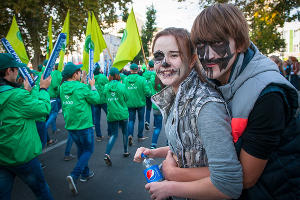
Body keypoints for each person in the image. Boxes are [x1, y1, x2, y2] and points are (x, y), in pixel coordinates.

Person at [191, 3, 300, 199]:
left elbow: (245, 177)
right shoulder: (214, 80)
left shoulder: (268, 95)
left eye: (217, 43)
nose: (206, 55)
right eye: (200, 44)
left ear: (240, 44)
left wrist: (174, 175)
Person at [134, 28, 243, 200]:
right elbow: (191, 147)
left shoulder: (207, 106)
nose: (164, 63)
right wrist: (153, 152)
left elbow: (229, 184)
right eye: (159, 56)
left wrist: (169, 187)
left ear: (192, 60)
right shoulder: (177, 97)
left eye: (174, 55)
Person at [0, 53, 53, 199]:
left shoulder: (16, 95)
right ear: (8, 71)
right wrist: (43, 89)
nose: (18, 72)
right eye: (16, 69)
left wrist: (25, 92)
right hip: (21, 155)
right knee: (42, 190)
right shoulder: (17, 96)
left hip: (2, 156)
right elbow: (43, 109)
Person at [60, 62, 101, 195]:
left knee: (81, 149)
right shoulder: (81, 88)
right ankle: (74, 174)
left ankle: (85, 173)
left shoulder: (62, 87)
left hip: (71, 126)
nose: (80, 73)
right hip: (84, 125)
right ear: (74, 74)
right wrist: (92, 85)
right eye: (79, 72)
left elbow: (78, 93)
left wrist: (83, 82)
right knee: (88, 150)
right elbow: (96, 99)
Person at [103, 67, 130, 166]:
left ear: (110, 75)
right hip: (123, 113)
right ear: (118, 75)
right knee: (124, 132)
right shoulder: (122, 86)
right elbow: (127, 97)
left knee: (114, 135)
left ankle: (107, 154)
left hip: (112, 114)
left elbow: (104, 96)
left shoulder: (106, 86)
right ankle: (126, 151)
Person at [124, 63, 152, 146]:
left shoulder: (125, 79)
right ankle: (140, 136)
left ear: (130, 70)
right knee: (141, 120)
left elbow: (123, 91)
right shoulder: (142, 79)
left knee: (131, 120)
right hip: (140, 103)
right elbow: (147, 92)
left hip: (130, 103)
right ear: (137, 70)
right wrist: (150, 94)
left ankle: (130, 135)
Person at [93, 63, 109, 141]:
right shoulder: (102, 77)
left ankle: (98, 136)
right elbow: (108, 85)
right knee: (109, 115)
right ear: (99, 70)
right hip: (103, 100)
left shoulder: (91, 78)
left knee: (96, 119)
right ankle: (110, 133)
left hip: (95, 100)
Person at [143, 60, 156, 131]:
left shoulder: (144, 74)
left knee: (148, 108)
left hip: (147, 93)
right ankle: (155, 124)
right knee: (155, 108)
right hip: (154, 93)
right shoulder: (155, 74)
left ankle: (147, 121)